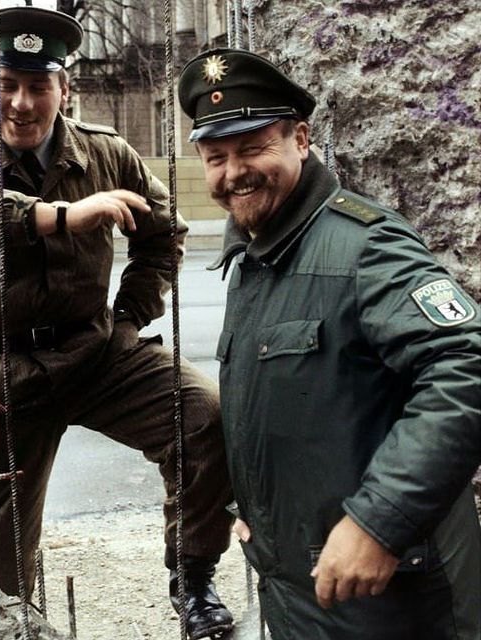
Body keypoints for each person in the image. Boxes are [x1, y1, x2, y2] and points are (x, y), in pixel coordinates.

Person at [0, 8, 234, 638]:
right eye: (7, 83)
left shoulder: (105, 152)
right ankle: (13, 624)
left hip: (95, 354)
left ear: (65, 88)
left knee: (204, 418)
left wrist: (130, 316)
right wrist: (57, 216)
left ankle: (193, 579)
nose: (22, 103)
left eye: (39, 86)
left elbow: (163, 233)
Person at [178, 47, 481, 639]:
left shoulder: (364, 246)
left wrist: (378, 522)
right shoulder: (253, 260)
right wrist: (257, 520)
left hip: (393, 602)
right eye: (216, 157)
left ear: (301, 138)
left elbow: (465, 367)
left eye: (253, 148)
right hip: (300, 592)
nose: (234, 172)